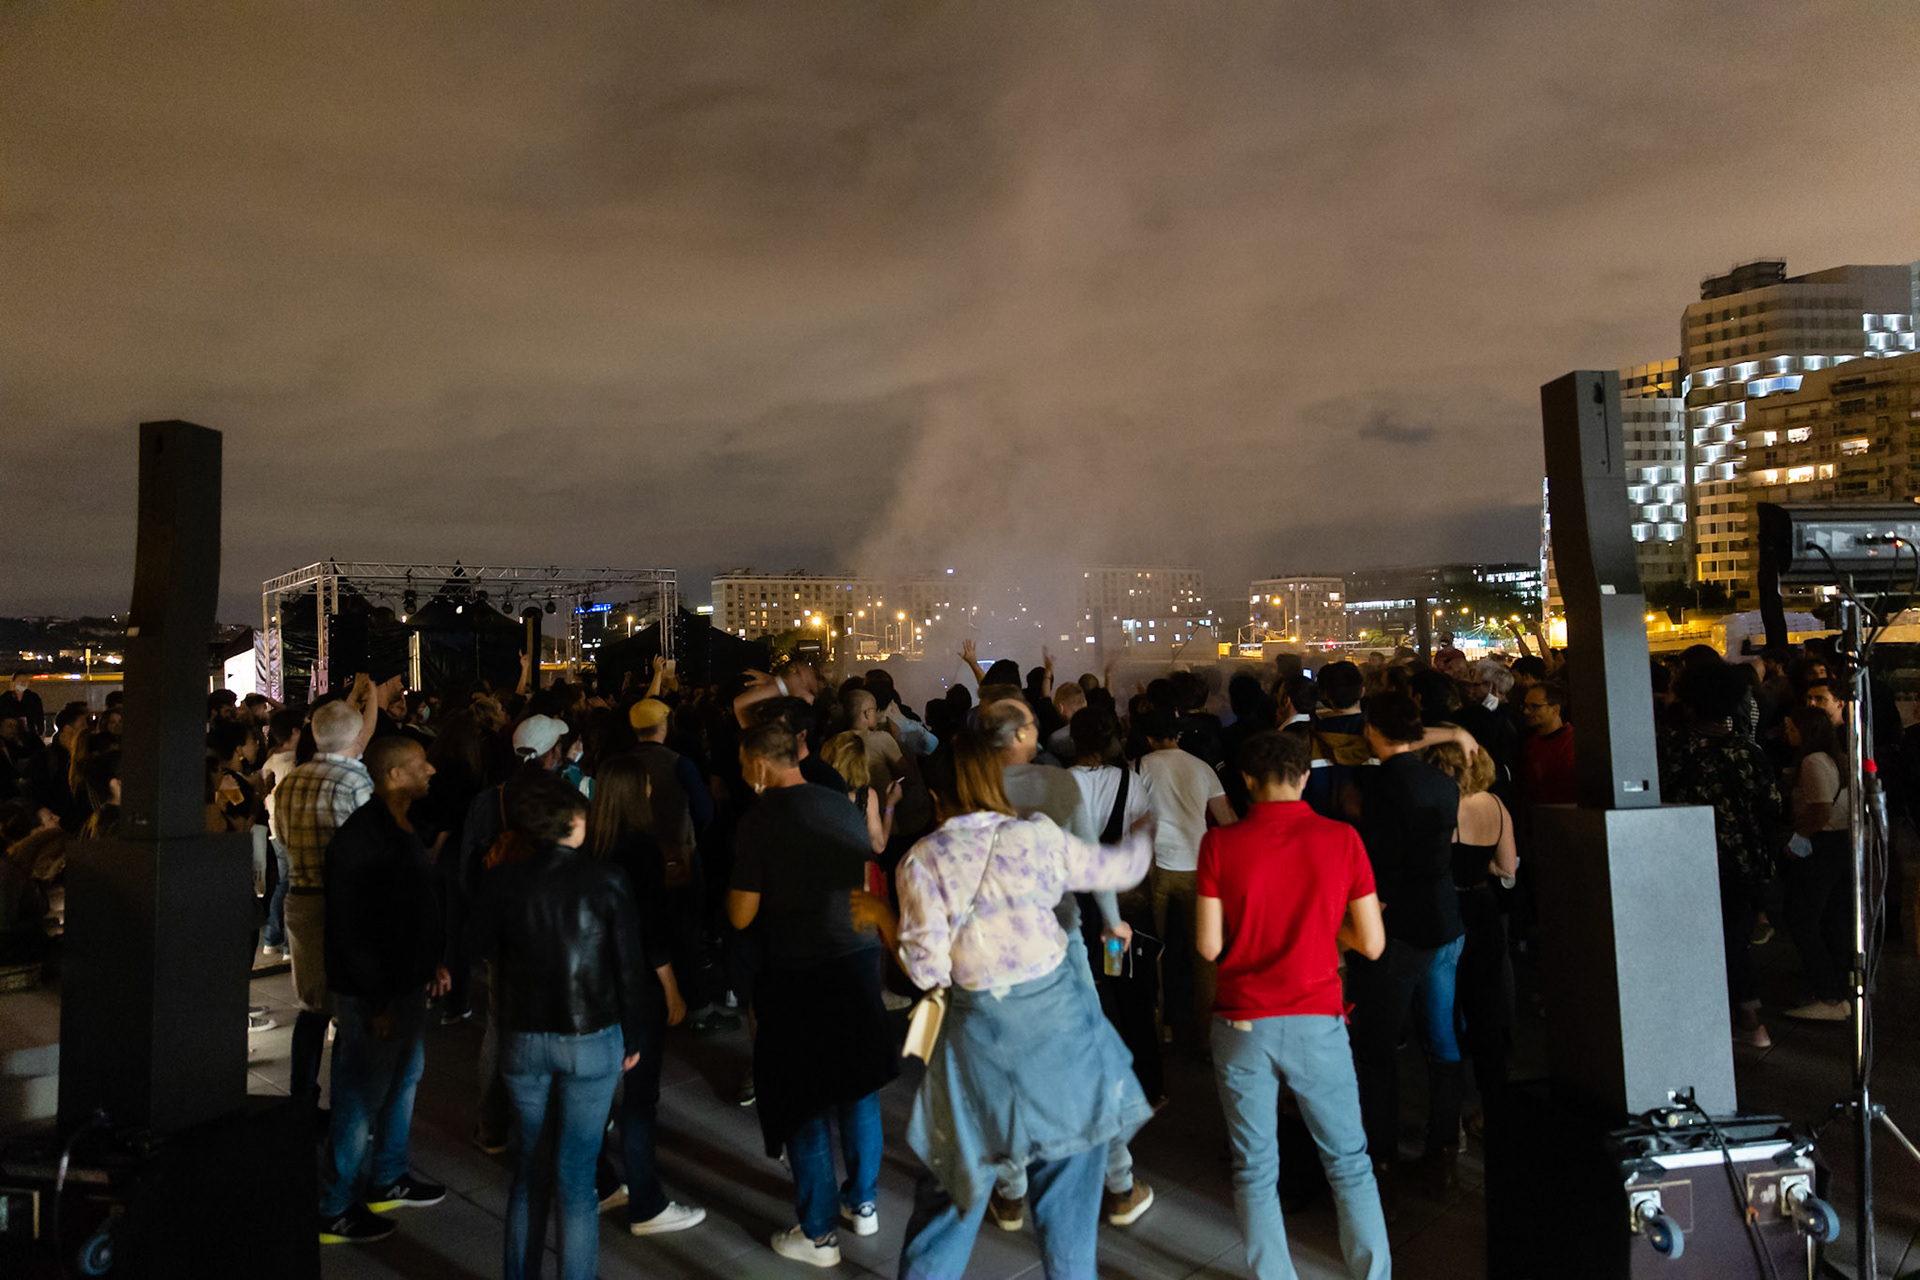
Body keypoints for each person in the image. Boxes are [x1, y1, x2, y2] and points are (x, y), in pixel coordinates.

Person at [854, 730, 1155, 1280]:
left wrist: (882, 914)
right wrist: (1143, 834)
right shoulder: (1036, 837)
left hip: (980, 1046)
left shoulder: (922, 861)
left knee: (949, 1197)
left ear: (939, 797)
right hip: (1064, 1039)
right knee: (1068, 1217)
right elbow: (1120, 870)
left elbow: (927, 971)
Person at [1198, 729, 1389, 1279]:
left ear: (1249, 782)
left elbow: (1209, 946)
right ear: (1304, 777)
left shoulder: (1220, 844)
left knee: (1254, 1168)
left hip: (1241, 1020)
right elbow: (1372, 944)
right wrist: (1331, 929)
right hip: (1317, 1019)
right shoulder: (1343, 839)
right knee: (1349, 1164)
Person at [977, 693, 1153, 1229]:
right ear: (1018, 738)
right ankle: (1119, 1184)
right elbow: (1088, 863)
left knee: (1006, 1063)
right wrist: (1111, 922)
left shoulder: (966, 786)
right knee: (1086, 1056)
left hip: (990, 947)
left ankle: (1010, 1190)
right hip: (1058, 933)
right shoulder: (1056, 784)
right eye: (1031, 722)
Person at [728, 721, 895, 1268]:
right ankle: (863, 1203)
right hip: (857, 956)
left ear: (758, 762)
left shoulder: (757, 821)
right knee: (858, 1087)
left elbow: (741, 912)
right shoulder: (840, 804)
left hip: (799, 968)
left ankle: (819, 1233)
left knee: (803, 1102)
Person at [471, 772, 650, 1280]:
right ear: (575, 821)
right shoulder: (606, 879)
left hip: (523, 1037)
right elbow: (629, 967)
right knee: (576, 1175)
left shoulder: (502, 881)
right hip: (591, 1037)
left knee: (529, 1168)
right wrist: (634, 1034)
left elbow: (478, 946)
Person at [317, 735, 449, 1245]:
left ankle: (388, 1175)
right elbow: (353, 931)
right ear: (394, 776)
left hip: (400, 985)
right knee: (360, 1094)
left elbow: (409, 911)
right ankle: (333, 1206)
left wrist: (429, 962)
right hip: (376, 994)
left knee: (402, 1076)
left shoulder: (395, 828)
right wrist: (382, 1001)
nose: (431, 769)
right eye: (420, 764)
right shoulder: (363, 839)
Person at [1346, 692, 1466, 1202]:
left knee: (1376, 1044)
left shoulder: (1378, 787)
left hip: (1399, 929)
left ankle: (1382, 1152)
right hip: (1446, 918)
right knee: (1442, 1040)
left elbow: (1379, 863)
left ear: (1372, 728)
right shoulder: (1442, 781)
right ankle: (1443, 1143)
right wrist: (1455, 734)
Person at [582, 755, 706, 1236]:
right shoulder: (641, 851)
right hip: (636, 984)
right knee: (639, 1097)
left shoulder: (589, 845)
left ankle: (601, 1183)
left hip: (594, 983)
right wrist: (672, 989)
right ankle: (647, 1203)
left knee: (594, 1096)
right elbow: (650, 930)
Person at [1657, 660, 1783, 1049]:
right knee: (1733, 939)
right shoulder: (1747, 751)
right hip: (1742, 863)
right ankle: (1748, 1019)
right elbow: (1772, 809)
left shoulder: (1675, 749)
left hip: (1686, 862)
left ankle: (1731, 1020)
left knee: (1696, 943)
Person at [275, 687, 378, 1104]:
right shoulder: (355, 778)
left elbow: (281, 838)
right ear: (354, 739)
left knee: (312, 1006)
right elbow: (372, 842)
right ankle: (346, 1104)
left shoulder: (291, 781)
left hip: (301, 896)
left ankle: (301, 1097)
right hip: (345, 903)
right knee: (350, 1008)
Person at [1424, 739, 1518, 1130]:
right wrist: (1488, 870)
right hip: (1483, 910)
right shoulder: (1496, 805)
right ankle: (1492, 1103)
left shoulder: (1437, 810)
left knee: (1444, 1011)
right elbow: (1508, 866)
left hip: (1445, 910)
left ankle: (1450, 1109)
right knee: (1486, 1008)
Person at [1135, 707, 1235, 1050]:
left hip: (1156, 867)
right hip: (1198, 867)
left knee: (1154, 952)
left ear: (1149, 738)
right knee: (1204, 957)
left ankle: (1158, 1028)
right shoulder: (1202, 767)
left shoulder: (1141, 767)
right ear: (1177, 736)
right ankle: (1209, 1038)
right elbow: (1227, 819)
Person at [1779, 706, 1853, 1021]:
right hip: (1840, 843)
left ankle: (1828, 994)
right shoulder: (1839, 759)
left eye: (1791, 727)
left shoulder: (1813, 761)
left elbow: (1821, 809)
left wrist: (1796, 839)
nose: (1787, 732)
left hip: (1820, 844)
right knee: (1832, 920)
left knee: (1803, 920)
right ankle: (1838, 990)